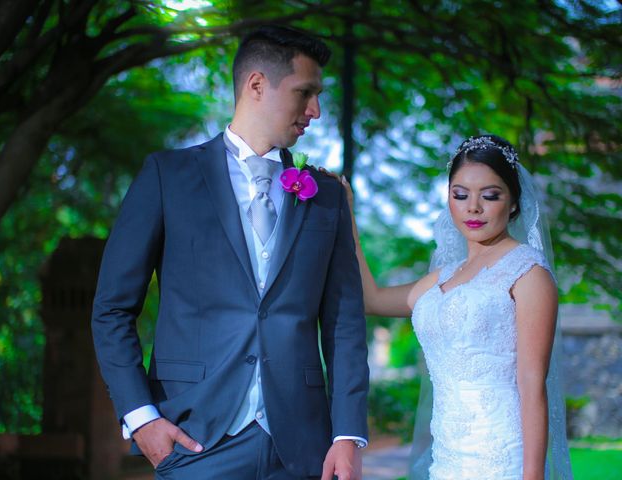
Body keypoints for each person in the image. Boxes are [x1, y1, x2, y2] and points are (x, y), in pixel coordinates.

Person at [91, 25, 369, 480]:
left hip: (302, 450)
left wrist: (346, 435)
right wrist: (141, 417)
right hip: (194, 440)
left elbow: (344, 324)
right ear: (257, 84)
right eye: (305, 93)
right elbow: (112, 308)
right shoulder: (168, 177)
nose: (315, 111)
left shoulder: (325, 196)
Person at [329, 135, 572, 479]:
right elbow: (372, 298)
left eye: (490, 195)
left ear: (514, 202)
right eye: (460, 195)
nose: (473, 207)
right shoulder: (443, 276)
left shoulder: (528, 273)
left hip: (502, 458)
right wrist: (346, 217)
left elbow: (532, 386)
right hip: (446, 459)